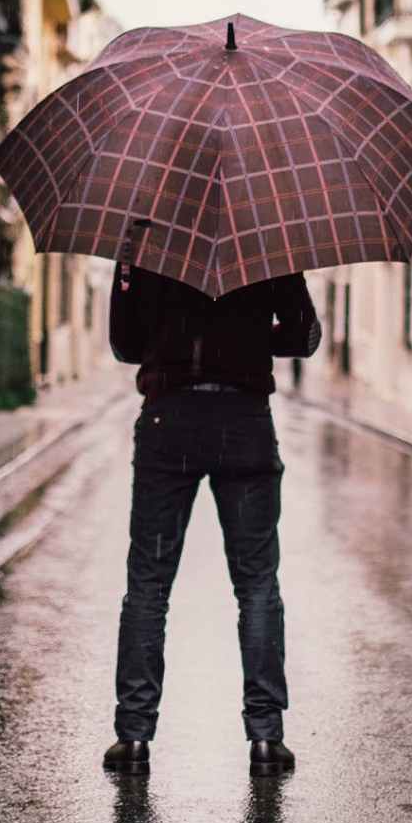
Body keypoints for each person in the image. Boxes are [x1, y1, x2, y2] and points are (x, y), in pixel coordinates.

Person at [103, 260, 322, 778]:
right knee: (257, 585)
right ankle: (267, 739)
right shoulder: (271, 240)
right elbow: (304, 336)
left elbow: (125, 344)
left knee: (149, 585)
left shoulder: (144, 239)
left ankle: (133, 737)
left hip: (168, 419)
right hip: (244, 421)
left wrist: (176, 333)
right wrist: (245, 335)